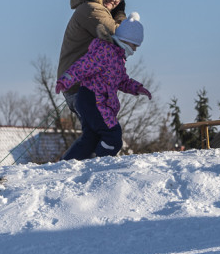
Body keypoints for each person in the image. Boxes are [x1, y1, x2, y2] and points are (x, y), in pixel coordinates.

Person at [56, 13, 152, 160]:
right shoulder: (105, 52)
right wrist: (65, 80)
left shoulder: (117, 58)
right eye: (135, 45)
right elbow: (83, 66)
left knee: (91, 138)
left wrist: (137, 88)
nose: (136, 49)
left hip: (93, 101)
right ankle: (100, 162)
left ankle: (67, 164)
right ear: (126, 40)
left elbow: (122, 80)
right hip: (93, 100)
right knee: (113, 134)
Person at [57, 0, 128, 119]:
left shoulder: (99, 10)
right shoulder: (92, 9)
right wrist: (121, 15)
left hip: (84, 87)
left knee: (98, 135)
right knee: (105, 134)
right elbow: (121, 35)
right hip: (81, 88)